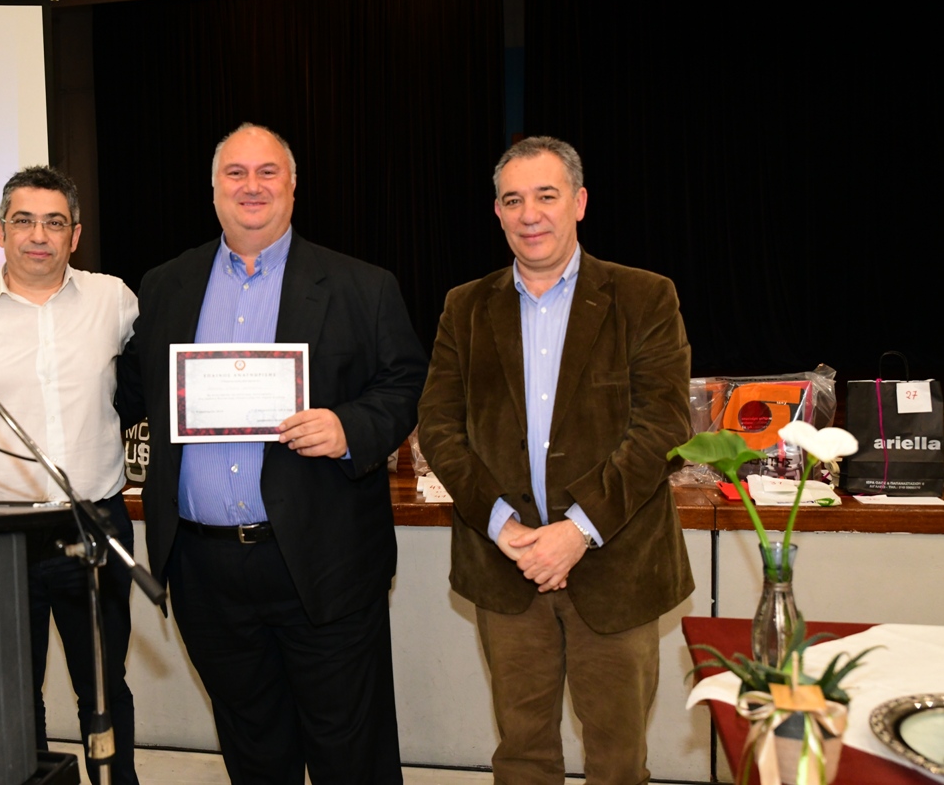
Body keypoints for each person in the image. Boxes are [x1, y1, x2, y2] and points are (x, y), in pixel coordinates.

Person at [117, 123, 426, 784]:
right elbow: (132, 389)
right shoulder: (167, 285)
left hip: (323, 562)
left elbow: (405, 383)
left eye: (267, 172)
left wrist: (349, 427)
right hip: (203, 569)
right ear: (213, 189)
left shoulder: (361, 285)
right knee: (254, 753)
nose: (250, 186)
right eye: (235, 173)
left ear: (292, 185)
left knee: (352, 757)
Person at [416, 136, 694, 785]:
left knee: (618, 761)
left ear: (580, 202)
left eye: (546, 195)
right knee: (522, 756)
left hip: (616, 568)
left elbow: (662, 428)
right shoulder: (464, 307)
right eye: (513, 200)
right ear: (497, 212)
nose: (530, 214)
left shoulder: (645, 297)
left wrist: (577, 531)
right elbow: (440, 427)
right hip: (505, 567)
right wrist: (504, 528)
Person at [0, 165, 140, 785]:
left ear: (75, 235)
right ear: (0, 231)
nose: (39, 235)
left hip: (94, 525)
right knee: (12, 692)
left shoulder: (114, 301)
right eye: (24, 221)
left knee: (105, 688)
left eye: (54, 223)